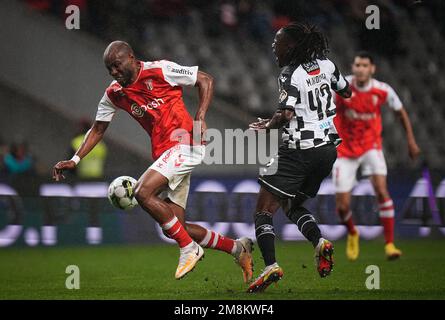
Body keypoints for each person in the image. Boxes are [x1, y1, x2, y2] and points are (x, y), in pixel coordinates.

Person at [52, 41, 253, 281]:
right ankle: (236, 248)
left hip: (186, 143)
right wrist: (75, 159)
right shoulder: (114, 93)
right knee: (176, 228)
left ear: (131, 58)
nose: (114, 73)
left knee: (142, 191)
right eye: (109, 70)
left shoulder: (160, 70)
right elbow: (97, 129)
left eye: (116, 66)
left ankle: (189, 249)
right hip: (165, 154)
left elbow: (205, 80)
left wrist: (200, 116)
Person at [247, 22, 351, 293]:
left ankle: (271, 266)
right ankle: (320, 243)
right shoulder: (327, 65)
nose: (273, 47)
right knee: (292, 206)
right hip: (327, 150)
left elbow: (286, 114)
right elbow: (347, 90)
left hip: (299, 150)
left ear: (291, 47)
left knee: (263, 210)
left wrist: (267, 125)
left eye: (277, 43)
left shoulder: (289, 73)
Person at [332, 51, 420, 261]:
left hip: (371, 146)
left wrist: (411, 141)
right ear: (353, 68)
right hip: (345, 150)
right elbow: (327, 112)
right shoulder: (342, 88)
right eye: (357, 65)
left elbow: (401, 112)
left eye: (364, 65)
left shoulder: (382, 90)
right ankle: (353, 232)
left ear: (372, 69)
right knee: (342, 206)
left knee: (381, 190)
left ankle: (389, 244)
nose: (360, 69)